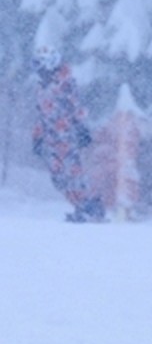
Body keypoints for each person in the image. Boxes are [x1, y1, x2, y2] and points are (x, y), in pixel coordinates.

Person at [31, 45, 106, 223]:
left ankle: (90, 207)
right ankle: (80, 206)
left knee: (74, 174)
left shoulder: (65, 84)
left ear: (50, 64)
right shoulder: (42, 87)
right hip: (51, 139)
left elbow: (76, 107)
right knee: (59, 178)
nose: (38, 70)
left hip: (67, 136)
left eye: (40, 65)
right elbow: (41, 115)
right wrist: (37, 137)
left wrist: (81, 128)